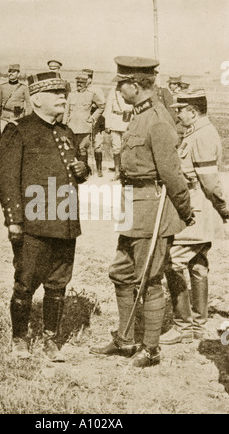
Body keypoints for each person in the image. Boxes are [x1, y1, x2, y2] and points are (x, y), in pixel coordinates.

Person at [90, 56, 194, 368]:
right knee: (121, 273)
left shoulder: (157, 120)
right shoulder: (138, 116)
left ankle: (151, 349)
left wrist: (186, 211)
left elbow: (172, 174)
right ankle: (126, 340)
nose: (119, 88)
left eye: (122, 83)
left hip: (152, 208)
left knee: (148, 279)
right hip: (131, 208)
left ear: (136, 85)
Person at [0, 71, 89, 362]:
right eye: (56, 94)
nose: (63, 98)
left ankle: (50, 340)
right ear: (36, 100)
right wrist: (13, 220)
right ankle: (19, 339)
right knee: (25, 282)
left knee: (58, 284)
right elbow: (6, 178)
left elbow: (79, 169)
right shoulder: (18, 129)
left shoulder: (66, 132)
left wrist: (83, 170)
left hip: (65, 221)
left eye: (64, 93)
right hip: (33, 223)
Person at [160, 90, 229, 345]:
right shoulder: (196, 132)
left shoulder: (202, 135)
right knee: (197, 265)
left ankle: (184, 326)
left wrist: (224, 208)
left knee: (173, 262)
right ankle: (197, 325)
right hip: (198, 209)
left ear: (193, 111)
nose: (177, 114)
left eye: (181, 109)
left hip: (196, 211)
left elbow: (210, 182)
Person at [63, 71, 105, 172]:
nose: (79, 85)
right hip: (71, 126)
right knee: (72, 148)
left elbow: (101, 106)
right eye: (78, 83)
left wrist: (93, 118)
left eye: (82, 83)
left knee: (82, 148)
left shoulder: (91, 94)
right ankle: (73, 170)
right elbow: (66, 110)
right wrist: (64, 124)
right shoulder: (71, 94)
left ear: (86, 83)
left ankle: (85, 170)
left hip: (84, 126)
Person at [104, 87, 132, 180]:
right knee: (116, 148)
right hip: (115, 121)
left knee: (127, 148)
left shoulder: (131, 89)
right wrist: (107, 124)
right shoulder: (112, 91)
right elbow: (108, 108)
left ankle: (126, 171)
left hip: (128, 121)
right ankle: (117, 172)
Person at [82, 68, 106, 177]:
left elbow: (102, 105)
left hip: (95, 121)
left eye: (86, 78)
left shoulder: (96, 90)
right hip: (83, 121)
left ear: (90, 79)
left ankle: (99, 169)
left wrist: (93, 107)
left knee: (97, 144)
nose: (84, 81)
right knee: (84, 144)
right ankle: (86, 169)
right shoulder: (80, 90)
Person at [0, 64, 32, 132]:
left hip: (18, 118)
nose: (11, 73)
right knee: (4, 139)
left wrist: (27, 120)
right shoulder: (2, 87)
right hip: (4, 118)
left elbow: (29, 105)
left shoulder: (24, 88)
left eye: (13, 72)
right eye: (9, 71)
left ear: (18, 74)